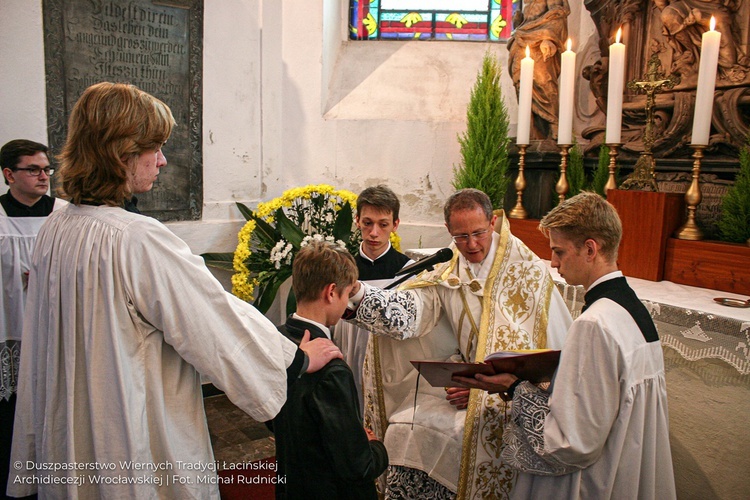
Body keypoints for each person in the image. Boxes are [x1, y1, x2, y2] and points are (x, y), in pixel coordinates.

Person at [6, 82, 342, 499]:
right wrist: (293, 360)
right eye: (155, 148)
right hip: (127, 430)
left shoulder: (57, 225)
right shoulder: (136, 238)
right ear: (121, 152)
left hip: (77, 420)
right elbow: (211, 319)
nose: (162, 161)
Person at [347, 188, 573, 498]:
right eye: (461, 236)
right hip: (468, 385)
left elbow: (543, 357)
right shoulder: (449, 265)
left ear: (492, 222)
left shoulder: (526, 272)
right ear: (449, 232)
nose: (472, 244)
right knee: (404, 425)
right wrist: (359, 295)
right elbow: (413, 313)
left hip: (515, 396)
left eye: (478, 233)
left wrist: (486, 390)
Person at [456, 192, 676, 499]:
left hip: (595, 480)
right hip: (630, 466)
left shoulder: (593, 324)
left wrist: (516, 387)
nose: (554, 263)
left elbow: (571, 443)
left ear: (590, 249)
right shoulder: (630, 309)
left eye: (559, 252)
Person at [271, 240, 388, 499]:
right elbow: (358, 467)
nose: (347, 305)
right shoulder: (332, 370)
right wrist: (375, 447)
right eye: (347, 295)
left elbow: (271, 416)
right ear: (331, 292)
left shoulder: (275, 339)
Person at [0, 139, 67, 499]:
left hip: (53, 322)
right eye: (34, 169)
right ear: (9, 174)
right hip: (10, 322)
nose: (44, 177)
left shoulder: (64, 213)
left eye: (47, 169)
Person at [334, 185, 411, 408]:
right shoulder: (341, 268)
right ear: (357, 221)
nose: (374, 233)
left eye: (383, 224)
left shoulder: (408, 270)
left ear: (395, 225)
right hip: (349, 350)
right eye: (367, 223)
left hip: (390, 358)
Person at [507, 0, 570, 141]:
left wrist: (549, 38)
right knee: (522, 85)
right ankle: (530, 132)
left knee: (544, 83)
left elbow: (558, 15)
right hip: (521, 41)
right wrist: (518, 23)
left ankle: (553, 125)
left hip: (541, 43)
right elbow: (529, 19)